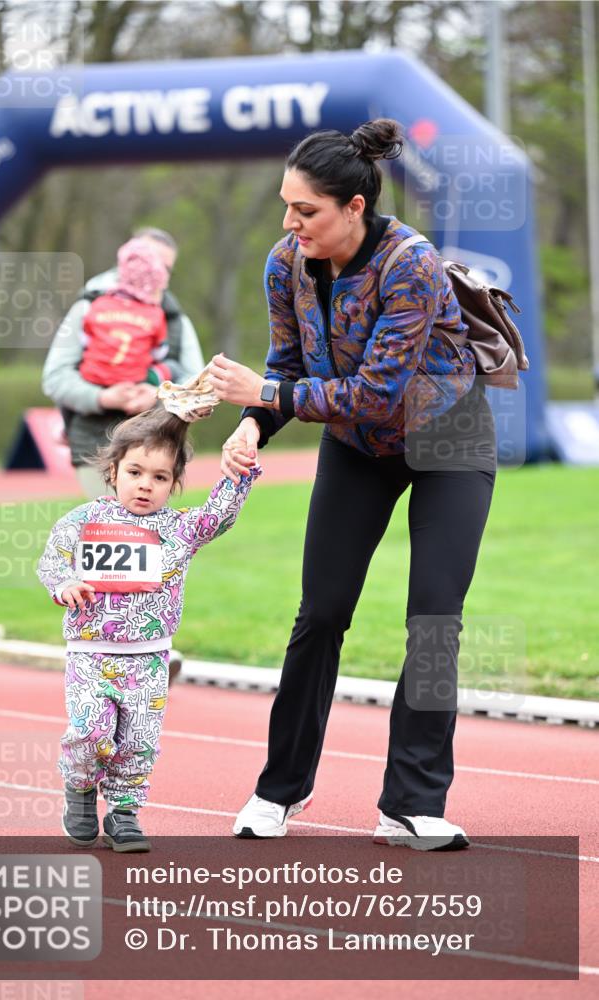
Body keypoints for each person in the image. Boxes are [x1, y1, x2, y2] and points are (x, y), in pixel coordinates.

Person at [208, 118, 496, 852]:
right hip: (356, 448)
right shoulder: (285, 263)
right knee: (321, 612)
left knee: (433, 621)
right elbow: (289, 363)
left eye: (305, 210)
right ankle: (278, 791)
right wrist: (252, 422)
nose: (289, 222)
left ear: (353, 208)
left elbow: (373, 392)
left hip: (443, 436)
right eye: (285, 205)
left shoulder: (412, 265)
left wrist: (267, 392)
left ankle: (410, 804)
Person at [37, 408, 261, 852]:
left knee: (138, 741)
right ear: (113, 471)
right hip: (91, 655)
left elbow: (220, 514)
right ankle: (80, 788)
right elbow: (52, 561)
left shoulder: (177, 529)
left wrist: (241, 471)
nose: (145, 484)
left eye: (159, 478)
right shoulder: (83, 522)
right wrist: (64, 584)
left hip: (149, 659)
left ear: (173, 484)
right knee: (90, 730)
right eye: (135, 472)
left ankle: (124, 812)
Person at [42, 227, 205, 499]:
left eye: (166, 268)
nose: (155, 271)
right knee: (113, 527)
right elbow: (55, 377)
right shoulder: (87, 308)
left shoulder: (175, 319)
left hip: (159, 445)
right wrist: (103, 397)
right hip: (94, 442)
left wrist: (157, 394)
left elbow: (199, 384)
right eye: (147, 259)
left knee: (149, 535)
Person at [78, 236, 170, 389]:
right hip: (133, 382)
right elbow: (160, 353)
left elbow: (84, 340)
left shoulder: (99, 304)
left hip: (92, 379)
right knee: (166, 370)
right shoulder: (155, 314)